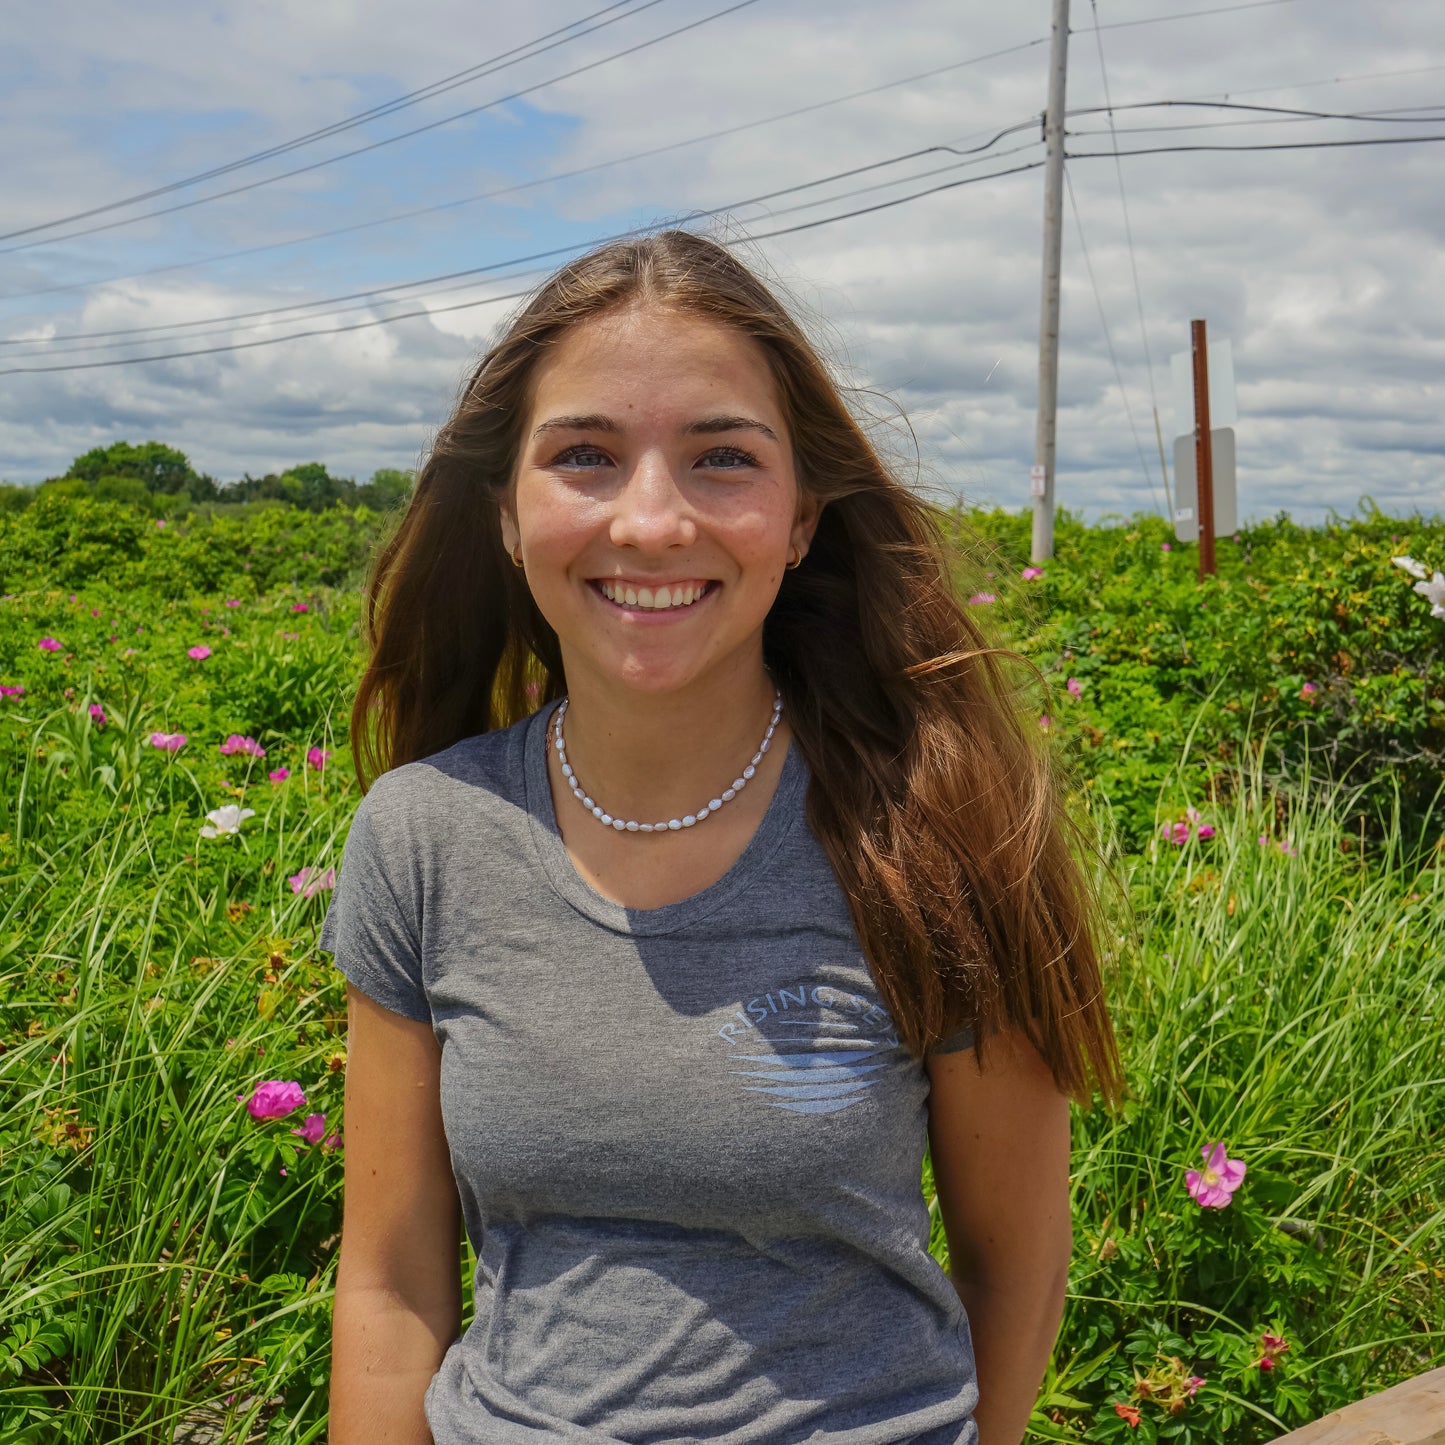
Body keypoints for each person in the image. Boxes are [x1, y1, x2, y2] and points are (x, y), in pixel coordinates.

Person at [323, 228, 1123, 1445]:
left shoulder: (931, 828)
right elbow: (387, 1289)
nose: (649, 521)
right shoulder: (426, 836)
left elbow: (1012, 1271)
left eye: (720, 458)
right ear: (505, 511)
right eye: (584, 454)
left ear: (800, 516)